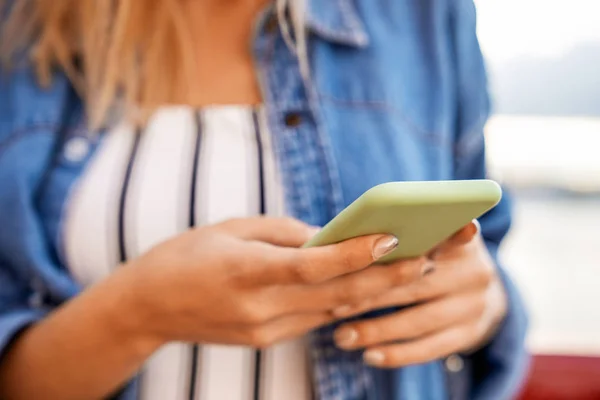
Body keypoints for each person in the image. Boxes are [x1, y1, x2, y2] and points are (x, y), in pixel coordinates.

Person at [0, 0, 528, 399]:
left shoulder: (426, 16)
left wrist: (484, 306)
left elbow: (488, 254)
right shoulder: (20, 26)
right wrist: (136, 313)